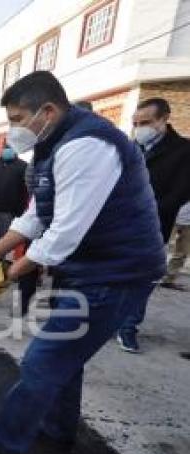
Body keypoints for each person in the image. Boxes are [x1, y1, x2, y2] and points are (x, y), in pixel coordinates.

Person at [0, 71, 165, 454]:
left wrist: (9, 275)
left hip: (117, 271)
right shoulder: (52, 145)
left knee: (42, 360)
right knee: (67, 354)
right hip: (92, 267)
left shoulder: (85, 147)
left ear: (46, 111)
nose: (13, 129)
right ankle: (58, 429)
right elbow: (37, 216)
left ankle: (3, 445)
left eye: (17, 119)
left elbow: (64, 234)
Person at [116, 98, 190, 352]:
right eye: (135, 123)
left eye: (145, 122)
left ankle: (128, 327)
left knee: (142, 279)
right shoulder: (129, 147)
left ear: (163, 119)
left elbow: (178, 194)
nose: (139, 128)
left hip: (152, 226)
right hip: (116, 225)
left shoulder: (183, 151)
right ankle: (109, 321)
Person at [163, 202, 190, 290]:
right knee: (182, 253)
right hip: (185, 223)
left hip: (181, 220)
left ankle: (168, 279)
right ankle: (168, 280)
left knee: (180, 252)